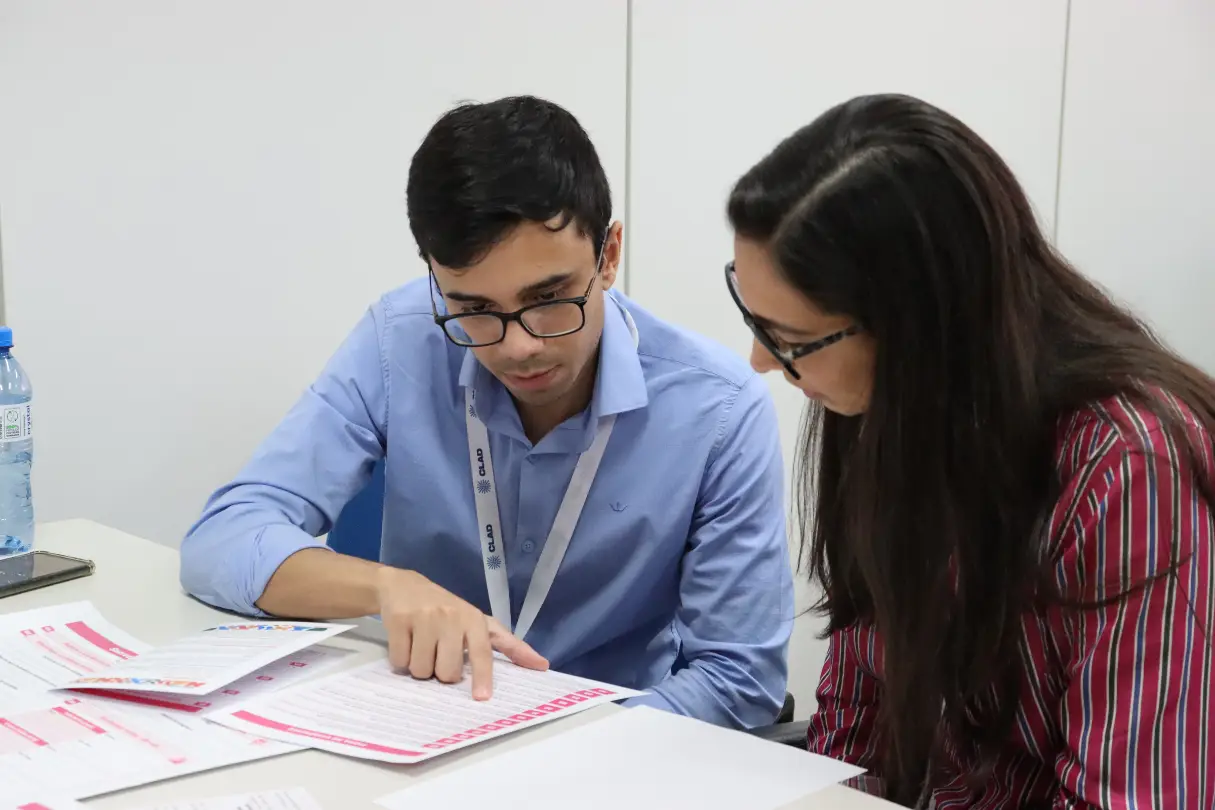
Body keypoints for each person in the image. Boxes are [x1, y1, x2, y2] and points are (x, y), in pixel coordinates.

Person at [180, 95, 793, 729]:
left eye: (549, 298)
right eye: (474, 309)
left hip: (612, 740)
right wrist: (388, 588)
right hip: (415, 727)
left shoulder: (718, 409)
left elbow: (740, 678)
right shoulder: (400, 339)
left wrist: (550, 752)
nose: (519, 346)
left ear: (609, 256)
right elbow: (225, 537)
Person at [724, 94, 1214, 808]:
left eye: (790, 340)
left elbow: (1135, 794)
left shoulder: (1128, 468)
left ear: (919, 331)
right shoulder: (882, 411)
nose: (760, 362)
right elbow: (858, 719)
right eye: (756, 320)